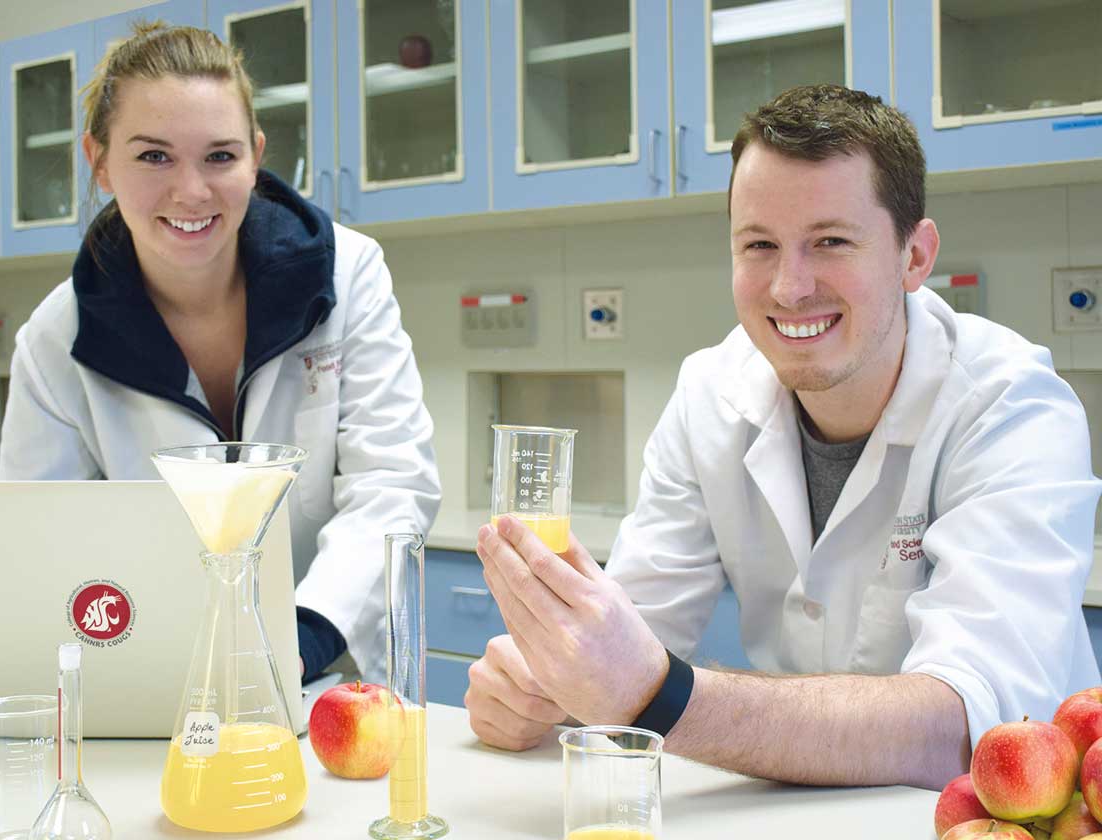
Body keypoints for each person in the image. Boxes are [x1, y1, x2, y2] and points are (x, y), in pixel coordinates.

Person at [465, 84, 1101, 790]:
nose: (790, 288)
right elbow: (633, 640)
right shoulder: (710, 394)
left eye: (831, 241)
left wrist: (656, 693)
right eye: (759, 245)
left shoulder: (1012, 408)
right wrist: (545, 690)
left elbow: (968, 731)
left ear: (914, 256)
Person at [0, 22, 440, 685]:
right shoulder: (57, 340)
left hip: (325, 676)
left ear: (255, 157)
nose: (192, 192)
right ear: (98, 160)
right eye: (153, 156)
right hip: (158, 683)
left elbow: (393, 484)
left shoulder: (346, 276)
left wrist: (302, 639)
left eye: (219, 156)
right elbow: (40, 546)